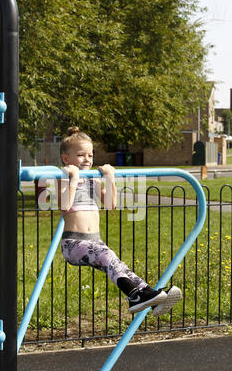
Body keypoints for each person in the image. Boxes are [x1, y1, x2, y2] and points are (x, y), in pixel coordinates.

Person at [57, 126, 182, 315]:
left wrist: (109, 178)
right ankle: (134, 296)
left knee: (119, 265)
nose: (87, 159)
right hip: (73, 245)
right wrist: (73, 178)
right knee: (107, 255)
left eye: (90, 155)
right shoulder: (64, 178)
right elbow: (64, 206)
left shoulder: (92, 180)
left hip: (94, 241)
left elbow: (110, 204)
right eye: (81, 155)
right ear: (66, 159)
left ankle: (151, 297)